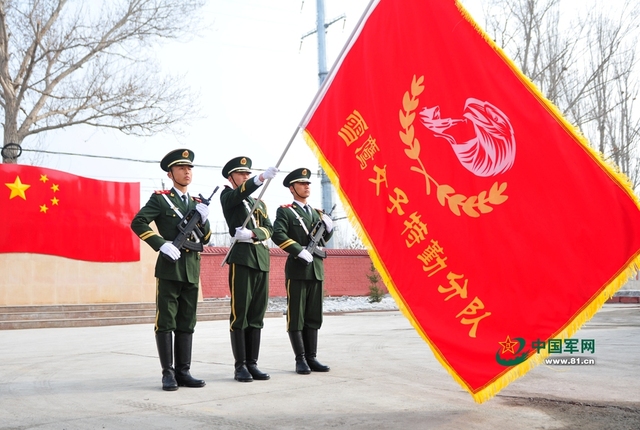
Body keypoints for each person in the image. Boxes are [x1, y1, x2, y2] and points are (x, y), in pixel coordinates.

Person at [131, 148, 211, 391]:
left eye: (189, 168)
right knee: (166, 320)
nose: (187, 171)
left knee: (187, 321)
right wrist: (160, 244)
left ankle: (183, 371)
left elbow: (204, 239)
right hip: (169, 267)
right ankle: (168, 373)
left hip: (191, 268)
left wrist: (204, 220)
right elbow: (138, 222)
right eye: (181, 168)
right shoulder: (161, 199)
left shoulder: (196, 203)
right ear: (170, 173)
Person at [220, 156, 278, 382]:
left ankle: (252, 363)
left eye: (248, 173)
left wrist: (254, 234)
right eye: (241, 174)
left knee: (256, 314)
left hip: (261, 259)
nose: (245, 176)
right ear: (231, 177)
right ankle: (240, 365)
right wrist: (259, 178)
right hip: (242, 259)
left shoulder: (260, 203)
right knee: (240, 313)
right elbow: (238, 194)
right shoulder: (228, 196)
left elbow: (269, 228)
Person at [272, 167, 334, 374]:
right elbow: (277, 234)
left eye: (308, 183)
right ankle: (300, 359)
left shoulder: (317, 213)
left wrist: (329, 228)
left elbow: (322, 240)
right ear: (292, 188)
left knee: (313, 315)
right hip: (298, 269)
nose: (306, 186)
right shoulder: (286, 211)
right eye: (302, 183)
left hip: (316, 269)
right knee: (296, 315)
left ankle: (312, 357)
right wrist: (298, 250)